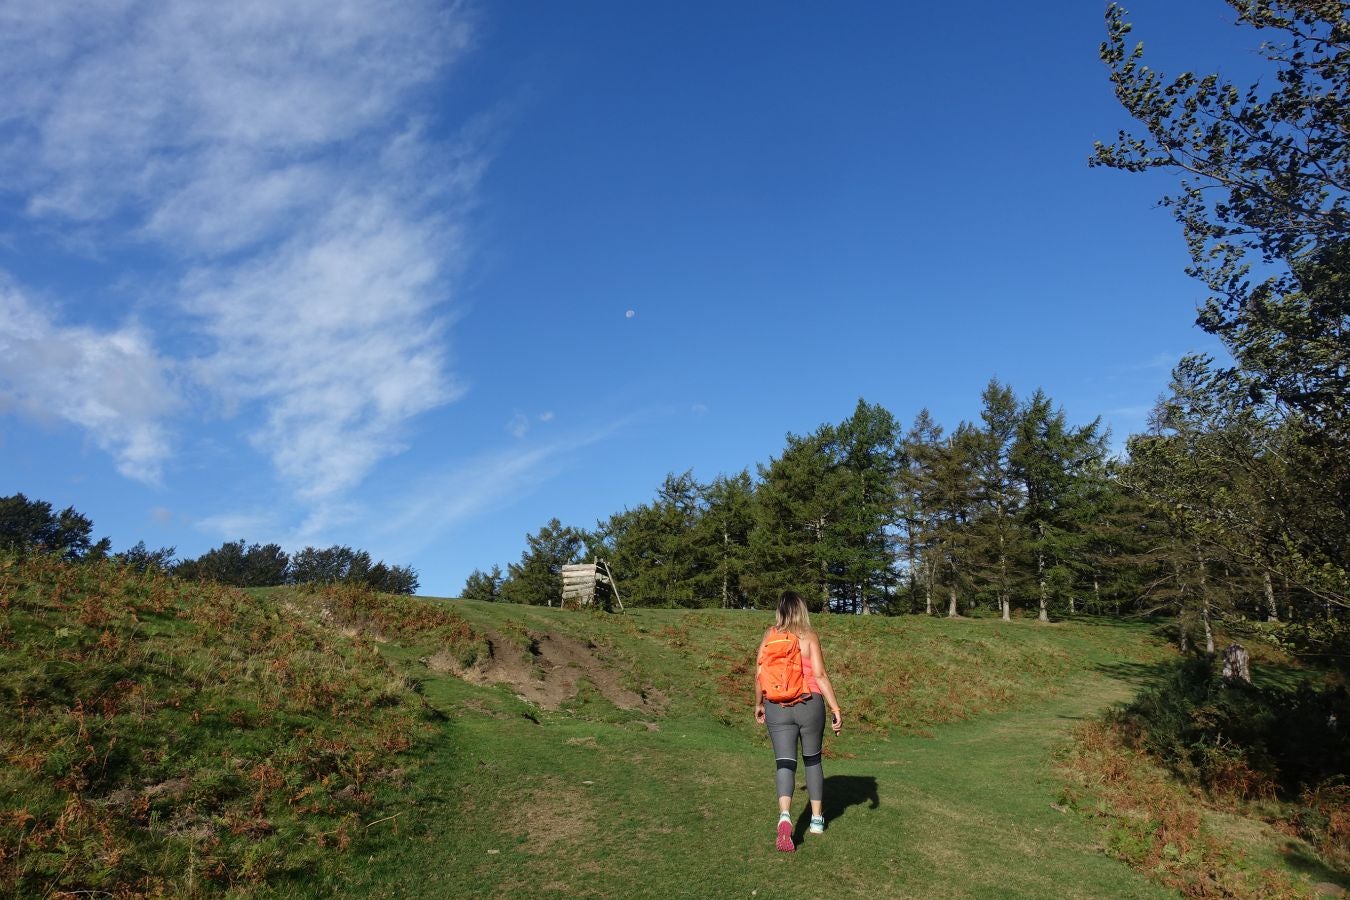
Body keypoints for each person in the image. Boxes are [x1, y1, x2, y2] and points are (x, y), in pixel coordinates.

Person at [753, 591, 842, 852]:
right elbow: (821, 675)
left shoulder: (770, 636)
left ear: (780, 610)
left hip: (777, 705)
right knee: (812, 760)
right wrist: (836, 707)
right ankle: (816, 820)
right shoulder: (809, 636)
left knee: (785, 763)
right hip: (810, 703)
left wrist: (759, 703)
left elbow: (759, 672)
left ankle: (784, 816)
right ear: (802, 609)